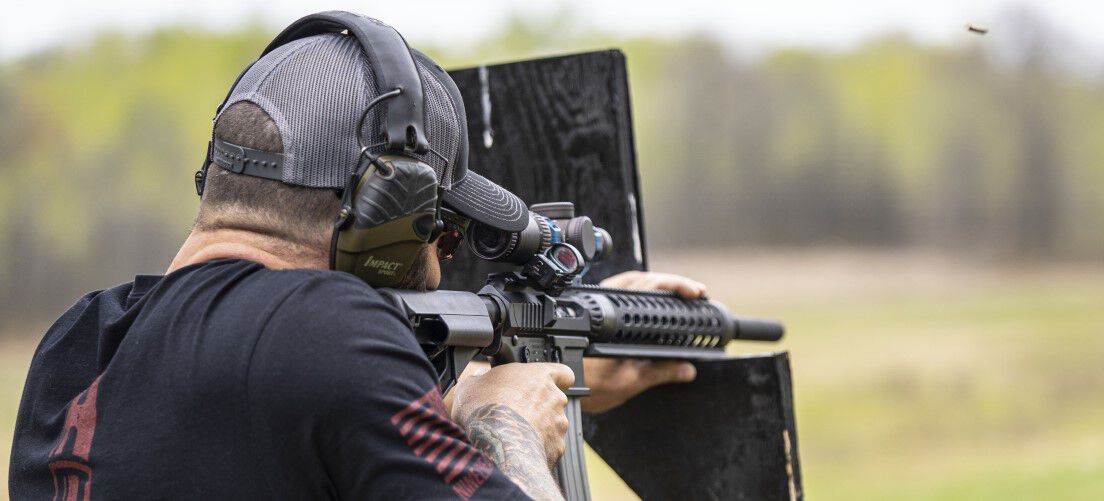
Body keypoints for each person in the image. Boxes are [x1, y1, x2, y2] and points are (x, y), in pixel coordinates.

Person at [9, 17, 707, 501]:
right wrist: (509, 423)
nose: (438, 266)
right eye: (445, 233)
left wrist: (447, 412)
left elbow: (265, 439)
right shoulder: (331, 327)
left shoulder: (77, 343)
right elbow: (315, 371)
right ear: (387, 216)